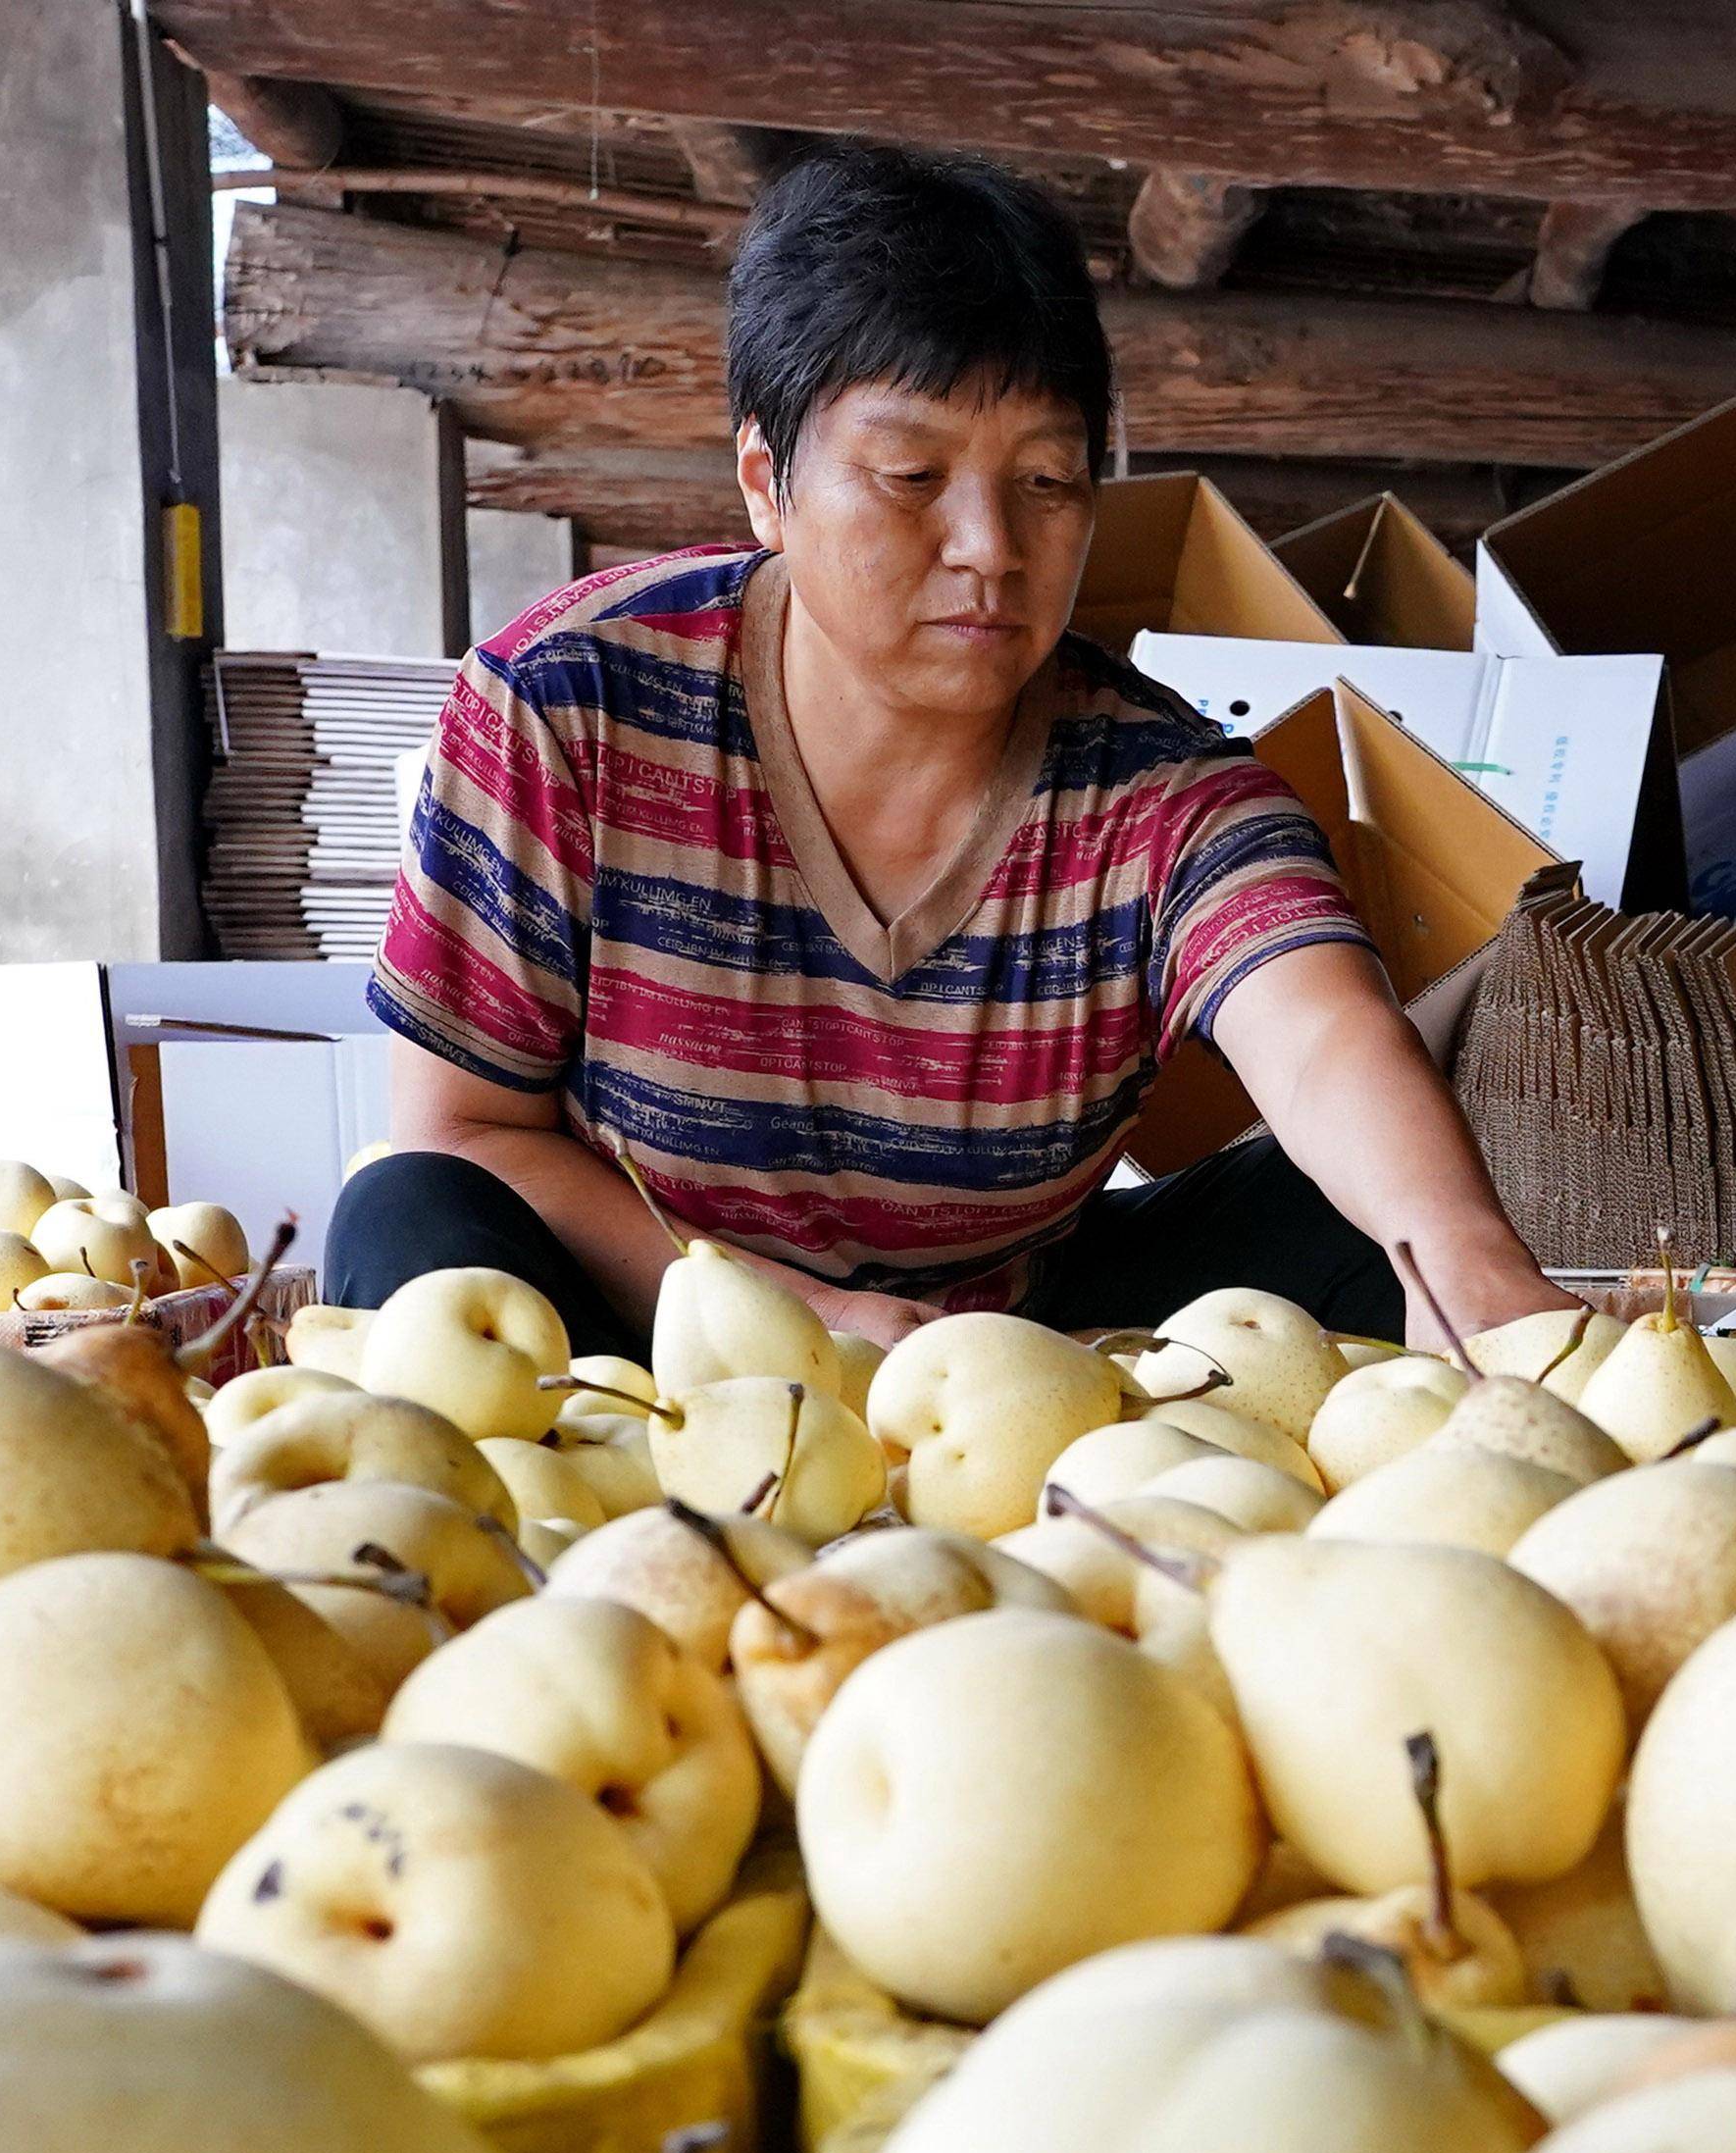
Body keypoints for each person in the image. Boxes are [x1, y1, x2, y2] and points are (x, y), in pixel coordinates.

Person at [330, 144, 1569, 1361]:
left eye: (1045, 479)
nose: (988, 543)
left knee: (1368, 1229)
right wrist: (802, 1319)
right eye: (913, 474)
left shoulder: (1163, 794)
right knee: (409, 1219)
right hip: (648, 1332)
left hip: (1007, 1348)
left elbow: (1315, 1031)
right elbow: (465, 1130)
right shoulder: (569, 703)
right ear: (768, 481)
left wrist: (1459, 1246)